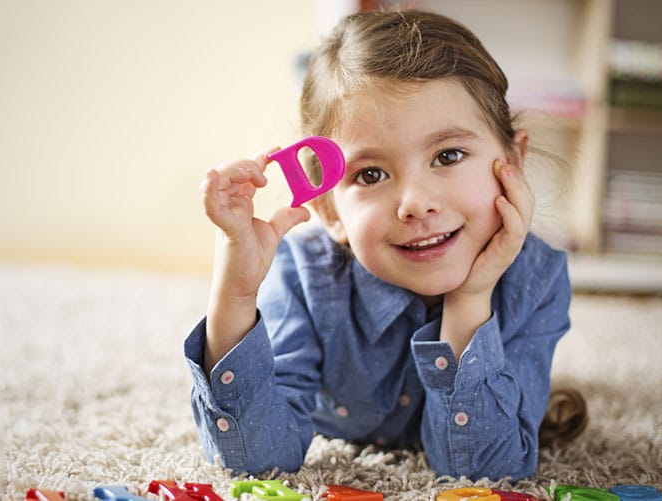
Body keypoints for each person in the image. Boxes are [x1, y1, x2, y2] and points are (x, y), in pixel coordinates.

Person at [184, 9, 585, 481]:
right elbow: (256, 461)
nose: (415, 203)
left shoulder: (536, 280)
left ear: (513, 160)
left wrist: (470, 300)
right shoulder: (303, 278)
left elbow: (485, 472)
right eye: (370, 174)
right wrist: (234, 295)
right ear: (331, 212)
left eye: (448, 155)